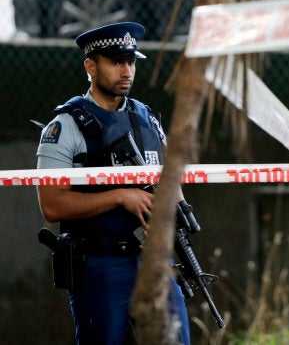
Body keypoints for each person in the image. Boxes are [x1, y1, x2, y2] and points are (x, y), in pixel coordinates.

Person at [36, 22, 191, 344]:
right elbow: (52, 205)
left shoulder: (146, 118)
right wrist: (120, 196)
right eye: (116, 61)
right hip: (100, 265)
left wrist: (167, 217)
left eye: (131, 61)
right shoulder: (65, 126)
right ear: (90, 67)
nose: (127, 71)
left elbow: (169, 182)